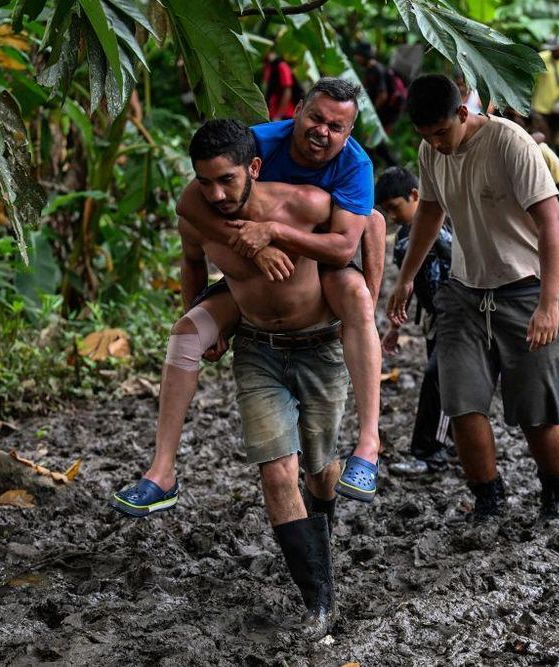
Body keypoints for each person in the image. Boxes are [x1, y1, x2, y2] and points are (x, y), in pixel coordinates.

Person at [112, 79, 386, 518]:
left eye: (337, 127)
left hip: (318, 270)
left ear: (349, 133)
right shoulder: (253, 144)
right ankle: (162, 472)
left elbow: (351, 239)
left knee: (356, 294)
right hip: (250, 287)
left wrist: (274, 233)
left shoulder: (347, 173)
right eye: (315, 117)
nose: (322, 131)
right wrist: (252, 246)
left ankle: (369, 444)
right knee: (186, 333)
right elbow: (191, 208)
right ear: (297, 110)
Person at [171, 118, 345, 636]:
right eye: (204, 182)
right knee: (275, 472)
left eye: (226, 180)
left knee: (320, 467)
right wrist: (206, 319)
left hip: (319, 346)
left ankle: (325, 516)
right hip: (256, 350)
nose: (216, 194)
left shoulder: (306, 204)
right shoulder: (197, 216)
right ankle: (318, 598)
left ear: (253, 168)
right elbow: (191, 262)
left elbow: (361, 234)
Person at [388, 74, 559, 522]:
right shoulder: (431, 151)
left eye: (441, 133)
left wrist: (548, 304)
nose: (435, 144)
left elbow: (552, 222)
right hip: (465, 293)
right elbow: (430, 213)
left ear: (463, 114)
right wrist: (406, 278)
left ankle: (556, 491)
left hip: (527, 287)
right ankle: (489, 495)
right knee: (461, 401)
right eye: (426, 137)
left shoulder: (510, 142)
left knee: (538, 414)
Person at [375, 167, 453, 476]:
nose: (392, 217)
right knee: (443, 380)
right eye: (387, 211)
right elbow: (407, 286)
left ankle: (429, 451)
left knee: (440, 380)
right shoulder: (404, 240)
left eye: (395, 207)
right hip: (435, 317)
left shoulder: (449, 221)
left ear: (415, 196)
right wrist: (396, 326)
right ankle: (445, 445)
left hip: (460, 313)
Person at [261, 50, 301, 121]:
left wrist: (278, 115)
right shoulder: (269, 66)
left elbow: (287, 92)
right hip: (272, 114)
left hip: (285, 116)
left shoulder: (281, 66)